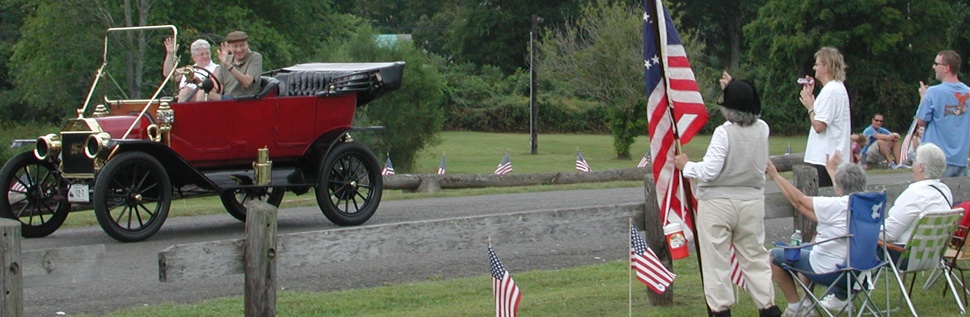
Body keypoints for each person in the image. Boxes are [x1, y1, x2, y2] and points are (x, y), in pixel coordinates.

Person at [675, 71, 781, 317]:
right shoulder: (762, 129)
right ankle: (768, 307)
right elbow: (746, 106)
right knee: (754, 258)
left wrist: (687, 167)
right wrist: (735, 88)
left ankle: (721, 310)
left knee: (717, 262)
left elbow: (710, 171)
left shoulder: (724, 132)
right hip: (751, 201)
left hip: (718, 202)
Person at [766, 152, 868, 316]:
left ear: (840, 188)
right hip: (859, 272)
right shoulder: (867, 205)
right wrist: (831, 170)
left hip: (832, 271)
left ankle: (794, 306)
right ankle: (807, 303)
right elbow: (841, 193)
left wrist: (775, 175)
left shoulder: (838, 205)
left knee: (773, 256)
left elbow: (799, 202)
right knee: (806, 249)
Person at [799, 47, 852, 187]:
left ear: (827, 66)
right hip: (834, 158)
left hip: (823, 160)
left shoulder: (830, 91)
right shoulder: (839, 88)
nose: (813, 67)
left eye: (817, 64)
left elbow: (819, 126)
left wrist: (810, 107)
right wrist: (811, 98)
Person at [916, 50, 970, 177]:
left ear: (946, 68)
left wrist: (923, 97)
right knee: (960, 196)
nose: (933, 67)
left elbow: (921, 121)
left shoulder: (933, 92)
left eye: (936, 63)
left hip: (936, 161)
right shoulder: (968, 93)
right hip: (960, 159)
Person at [217, 30, 262, 98]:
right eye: (235, 46)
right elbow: (219, 88)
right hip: (227, 100)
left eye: (242, 45)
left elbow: (246, 82)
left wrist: (228, 65)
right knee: (203, 94)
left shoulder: (255, 57)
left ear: (247, 45)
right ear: (228, 47)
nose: (239, 50)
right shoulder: (225, 60)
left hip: (245, 100)